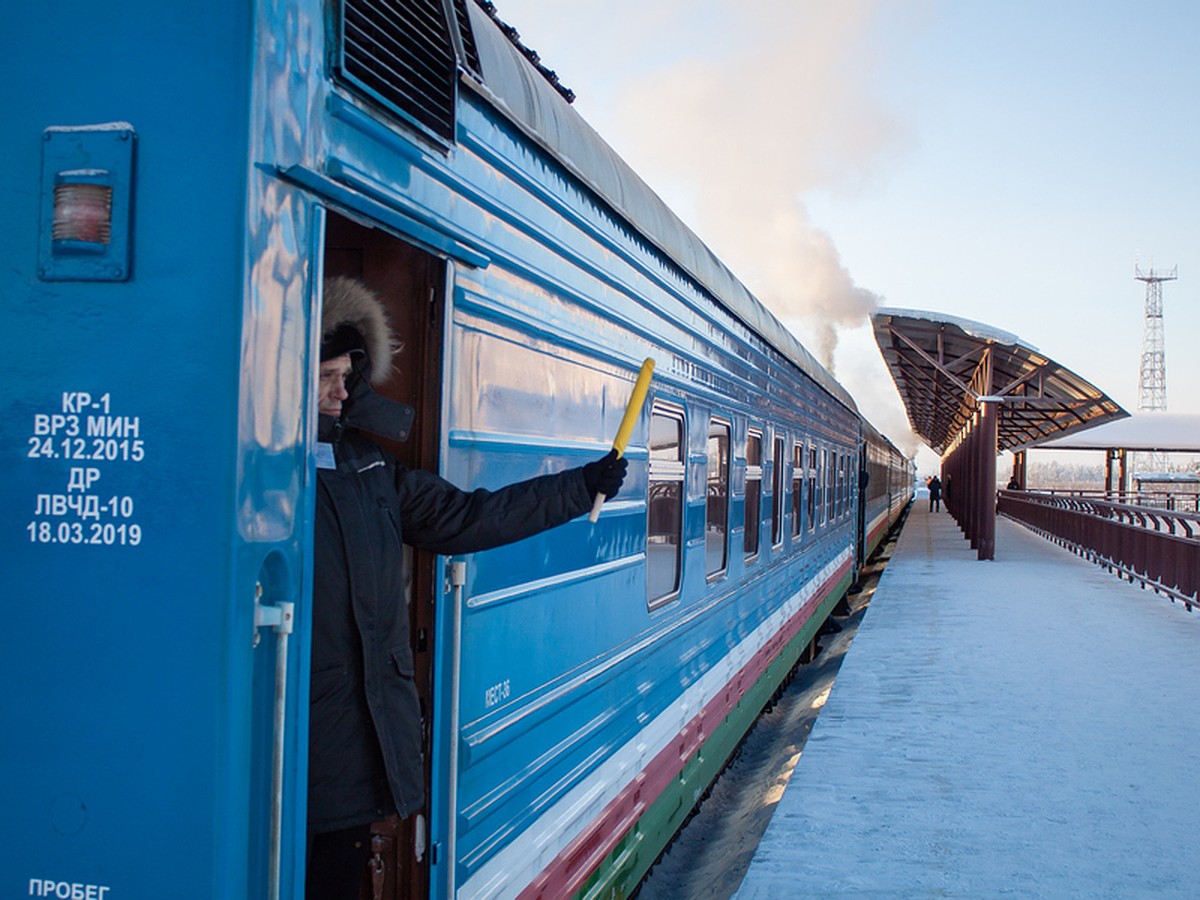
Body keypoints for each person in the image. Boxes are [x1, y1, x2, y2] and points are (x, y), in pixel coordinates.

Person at [306, 277, 627, 900]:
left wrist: (581, 485)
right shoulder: (262, 466)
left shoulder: (369, 467)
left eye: (348, 374)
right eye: (325, 376)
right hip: (295, 734)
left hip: (352, 738)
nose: (342, 391)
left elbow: (469, 517)